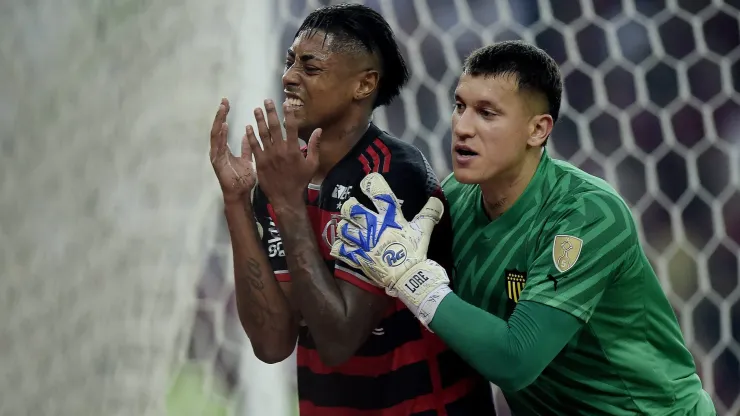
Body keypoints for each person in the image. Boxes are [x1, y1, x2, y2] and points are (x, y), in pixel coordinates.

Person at [331, 41, 717, 415]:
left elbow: (516, 361)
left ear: (538, 130)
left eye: (487, 113)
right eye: (460, 106)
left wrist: (411, 277)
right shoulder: (451, 201)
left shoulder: (587, 213)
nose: (463, 127)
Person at [208, 4, 495, 415]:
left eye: (310, 67)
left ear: (364, 84)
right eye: (290, 62)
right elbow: (272, 345)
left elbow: (339, 341)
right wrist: (237, 202)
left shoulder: (391, 178)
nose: (288, 76)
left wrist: (288, 205)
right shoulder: (283, 178)